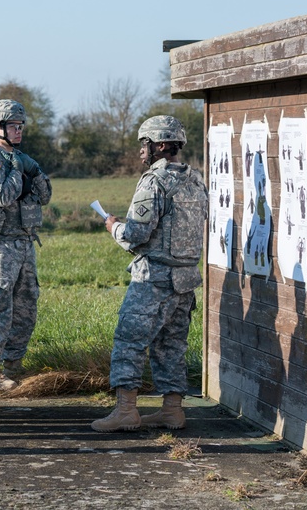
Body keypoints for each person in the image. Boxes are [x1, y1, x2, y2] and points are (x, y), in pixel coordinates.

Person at [91, 115, 208, 433]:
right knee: (171, 346)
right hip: (185, 281)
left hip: (152, 281)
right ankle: (172, 412)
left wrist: (114, 226)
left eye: (144, 143)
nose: (141, 150)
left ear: (160, 145)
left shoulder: (153, 181)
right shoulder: (196, 180)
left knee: (129, 342)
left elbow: (136, 236)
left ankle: (126, 411)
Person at [0, 99, 52, 391]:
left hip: (24, 241)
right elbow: (3, 196)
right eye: (13, 126)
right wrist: (18, 172)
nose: (19, 131)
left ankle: (14, 364)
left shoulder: (20, 158)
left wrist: (36, 171)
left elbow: (45, 195)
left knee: (26, 304)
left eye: (21, 126)